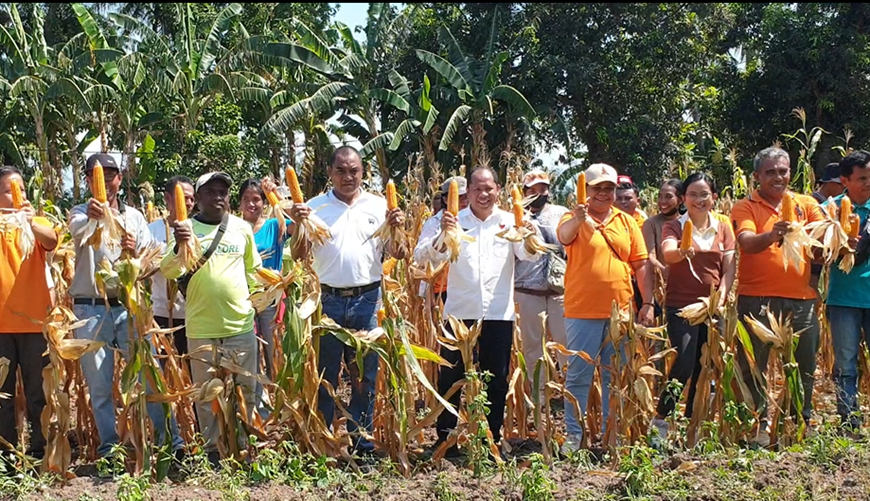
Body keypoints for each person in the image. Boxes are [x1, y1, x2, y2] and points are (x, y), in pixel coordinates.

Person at [288, 146, 407, 456]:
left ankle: (361, 442)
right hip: (326, 301)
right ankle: (325, 440)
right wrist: (298, 225)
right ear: (330, 173)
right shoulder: (314, 208)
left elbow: (400, 254)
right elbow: (298, 256)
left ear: (363, 172)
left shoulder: (378, 206)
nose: (347, 176)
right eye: (340, 170)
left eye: (353, 170)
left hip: (367, 301)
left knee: (365, 378)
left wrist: (398, 228)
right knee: (326, 375)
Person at [417, 166, 541, 454]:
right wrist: (443, 236)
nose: (483, 194)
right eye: (477, 189)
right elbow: (424, 257)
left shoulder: (511, 222)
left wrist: (530, 235)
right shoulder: (454, 222)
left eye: (489, 188)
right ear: (468, 193)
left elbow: (529, 256)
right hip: (459, 312)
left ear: (498, 189)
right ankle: (445, 439)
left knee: (496, 379)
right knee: (450, 378)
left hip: (498, 313)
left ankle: (490, 438)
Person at [69, 153, 184, 460]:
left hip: (131, 307)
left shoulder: (134, 217)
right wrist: (96, 216)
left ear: (120, 179)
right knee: (101, 385)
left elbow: (150, 262)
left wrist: (134, 255)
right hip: (91, 311)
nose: (106, 179)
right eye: (98, 174)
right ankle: (109, 450)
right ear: (87, 180)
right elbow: (78, 232)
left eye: (111, 174)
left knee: (150, 376)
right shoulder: (79, 212)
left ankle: (170, 443)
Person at [161, 171, 262, 467]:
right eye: (211, 192)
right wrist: (180, 245)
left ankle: (243, 448)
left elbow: (253, 271)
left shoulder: (241, 229)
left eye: (223, 192)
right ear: (198, 199)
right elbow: (169, 271)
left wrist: (255, 305)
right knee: (206, 397)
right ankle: (212, 452)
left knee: (245, 392)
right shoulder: (185, 229)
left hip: (240, 326)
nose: (219, 197)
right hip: (201, 328)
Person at [556, 163, 654, 454]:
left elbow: (641, 264)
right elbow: (564, 236)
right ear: (585, 190)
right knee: (578, 375)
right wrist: (579, 217)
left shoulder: (627, 223)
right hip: (582, 310)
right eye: (597, 188)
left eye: (608, 188)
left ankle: (613, 434)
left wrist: (647, 302)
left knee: (617, 375)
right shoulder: (571, 218)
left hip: (621, 312)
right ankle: (574, 436)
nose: (603, 193)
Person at [731, 146, 825, 447]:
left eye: (783, 171)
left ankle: (798, 422)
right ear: (757, 176)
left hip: (801, 299)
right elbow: (746, 242)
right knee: (752, 365)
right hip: (756, 299)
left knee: (804, 364)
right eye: (770, 172)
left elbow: (822, 244)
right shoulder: (745, 206)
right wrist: (773, 234)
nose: (778, 177)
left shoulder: (807, 204)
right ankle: (757, 425)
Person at [648, 173, 736, 441]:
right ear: (683, 198)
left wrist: (721, 295)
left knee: (705, 366)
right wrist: (682, 251)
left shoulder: (723, 227)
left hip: (712, 306)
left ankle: (693, 426)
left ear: (714, 197)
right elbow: (668, 253)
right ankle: (661, 421)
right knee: (684, 362)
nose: (699, 200)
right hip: (680, 306)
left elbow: (729, 266)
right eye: (693, 195)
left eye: (704, 194)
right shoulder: (675, 226)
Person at [0, 167, 58, 463]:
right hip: (1, 328)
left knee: (39, 395)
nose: (16, 193)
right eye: (9, 189)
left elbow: (51, 241)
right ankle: (7, 457)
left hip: (36, 324)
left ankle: (41, 453)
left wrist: (30, 219)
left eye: (19, 187)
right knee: (2, 398)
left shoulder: (35, 223)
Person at [821, 150, 870, 436]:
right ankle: (848, 420)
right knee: (846, 363)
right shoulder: (832, 209)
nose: (868, 183)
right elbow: (822, 252)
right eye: (862, 178)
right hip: (843, 299)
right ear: (844, 180)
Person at [512, 169, 569, 387]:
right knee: (532, 345)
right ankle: (539, 394)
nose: (539, 193)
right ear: (524, 191)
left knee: (564, 342)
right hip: (527, 291)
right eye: (533, 190)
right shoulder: (514, 218)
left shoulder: (561, 213)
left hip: (558, 290)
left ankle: (568, 392)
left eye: (543, 189)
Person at [238, 178, 290, 383]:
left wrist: (276, 196)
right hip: (242, 298)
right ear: (239, 203)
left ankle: (276, 397)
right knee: (248, 354)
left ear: (264, 202)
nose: (251, 204)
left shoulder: (275, 226)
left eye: (257, 199)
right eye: (246, 199)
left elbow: (299, 221)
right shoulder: (233, 229)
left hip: (271, 298)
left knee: (274, 350)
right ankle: (255, 403)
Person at [149, 176, 195, 360]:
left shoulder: (198, 228)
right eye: (184, 198)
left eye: (192, 198)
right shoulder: (151, 230)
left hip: (193, 315)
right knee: (166, 371)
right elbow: (142, 269)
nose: (189, 203)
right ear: (167, 198)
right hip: (161, 314)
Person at [413, 176, 469, 303]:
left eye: (466, 196)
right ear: (445, 199)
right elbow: (419, 256)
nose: (465, 201)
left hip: (467, 291)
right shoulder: (434, 223)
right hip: (440, 291)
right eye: (459, 197)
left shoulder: (474, 222)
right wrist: (441, 237)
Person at [641, 179, 684, 282]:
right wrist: (663, 271)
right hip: (661, 283)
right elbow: (650, 255)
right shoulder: (651, 224)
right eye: (660, 196)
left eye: (668, 197)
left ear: (681, 200)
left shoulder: (688, 222)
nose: (663, 201)